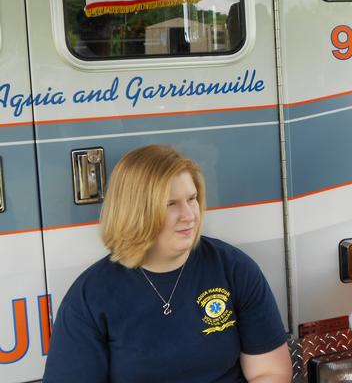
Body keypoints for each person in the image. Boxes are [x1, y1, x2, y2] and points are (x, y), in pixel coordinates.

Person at [44, 144, 292, 383]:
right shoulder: (90, 297)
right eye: (171, 204)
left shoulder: (234, 269)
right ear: (136, 212)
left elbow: (270, 372)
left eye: (192, 198)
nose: (189, 215)